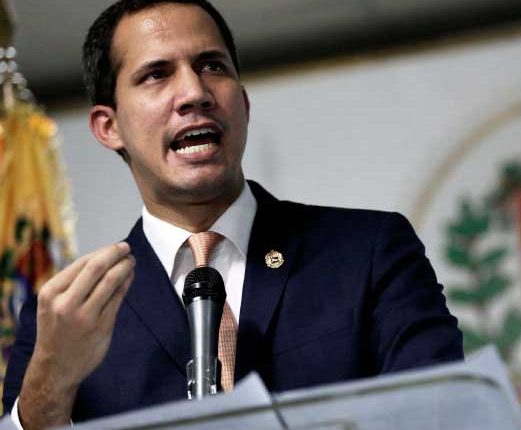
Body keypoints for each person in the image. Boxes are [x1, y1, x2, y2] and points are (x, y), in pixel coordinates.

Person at [2, 0, 463, 427]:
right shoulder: (66, 316)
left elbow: (447, 413)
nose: (194, 92)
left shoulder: (368, 252)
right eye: (157, 74)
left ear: (242, 103)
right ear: (109, 126)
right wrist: (50, 383)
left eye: (212, 66)